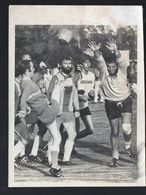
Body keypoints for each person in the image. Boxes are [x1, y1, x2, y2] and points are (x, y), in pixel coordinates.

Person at [88, 40, 136, 167]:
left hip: (125, 100)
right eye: (109, 67)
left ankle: (127, 146)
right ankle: (115, 156)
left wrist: (116, 49)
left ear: (117, 66)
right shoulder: (104, 71)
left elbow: (119, 57)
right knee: (115, 131)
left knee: (126, 128)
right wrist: (95, 50)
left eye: (113, 67)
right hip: (110, 103)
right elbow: (99, 58)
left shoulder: (122, 70)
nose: (111, 69)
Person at [18, 59, 63, 177]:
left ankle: (55, 166)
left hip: (42, 113)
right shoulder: (27, 83)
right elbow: (23, 98)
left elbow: (25, 96)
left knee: (56, 138)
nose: (33, 70)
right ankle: (54, 166)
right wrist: (22, 110)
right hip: (48, 111)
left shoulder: (25, 82)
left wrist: (41, 69)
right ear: (27, 71)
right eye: (32, 68)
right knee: (58, 88)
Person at [47, 56, 80, 164]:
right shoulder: (55, 77)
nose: (68, 65)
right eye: (65, 63)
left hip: (69, 111)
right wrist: (53, 108)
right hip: (57, 112)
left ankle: (66, 158)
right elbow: (49, 94)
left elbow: (75, 94)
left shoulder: (72, 77)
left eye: (69, 63)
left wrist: (77, 109)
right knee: (54, 137)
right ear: (60, 65)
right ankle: (50, 160)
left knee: (72, 135)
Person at [74, 53, 95, 140]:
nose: (88, 64)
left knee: (90, 130)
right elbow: (72, 91)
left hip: (84, 106)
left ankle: (71, 140)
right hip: (74, 106)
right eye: (85, 62)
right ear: (81, 64)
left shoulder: (91, 75)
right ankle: (68, 145)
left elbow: (91, 89)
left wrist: (92, 94)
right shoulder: (77, 76)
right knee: (75, 129)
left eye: (89, 62)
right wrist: (80, 96)